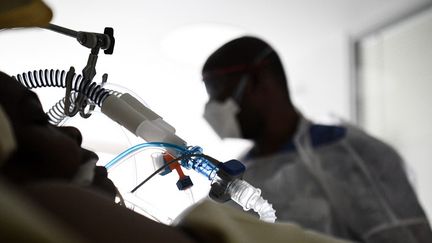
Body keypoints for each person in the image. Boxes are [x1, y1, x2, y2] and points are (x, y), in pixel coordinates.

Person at [201, 36, 432, 243]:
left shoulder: (350, 154)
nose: (211, 110)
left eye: (219, 95)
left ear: (257, 82)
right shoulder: (238, 176)